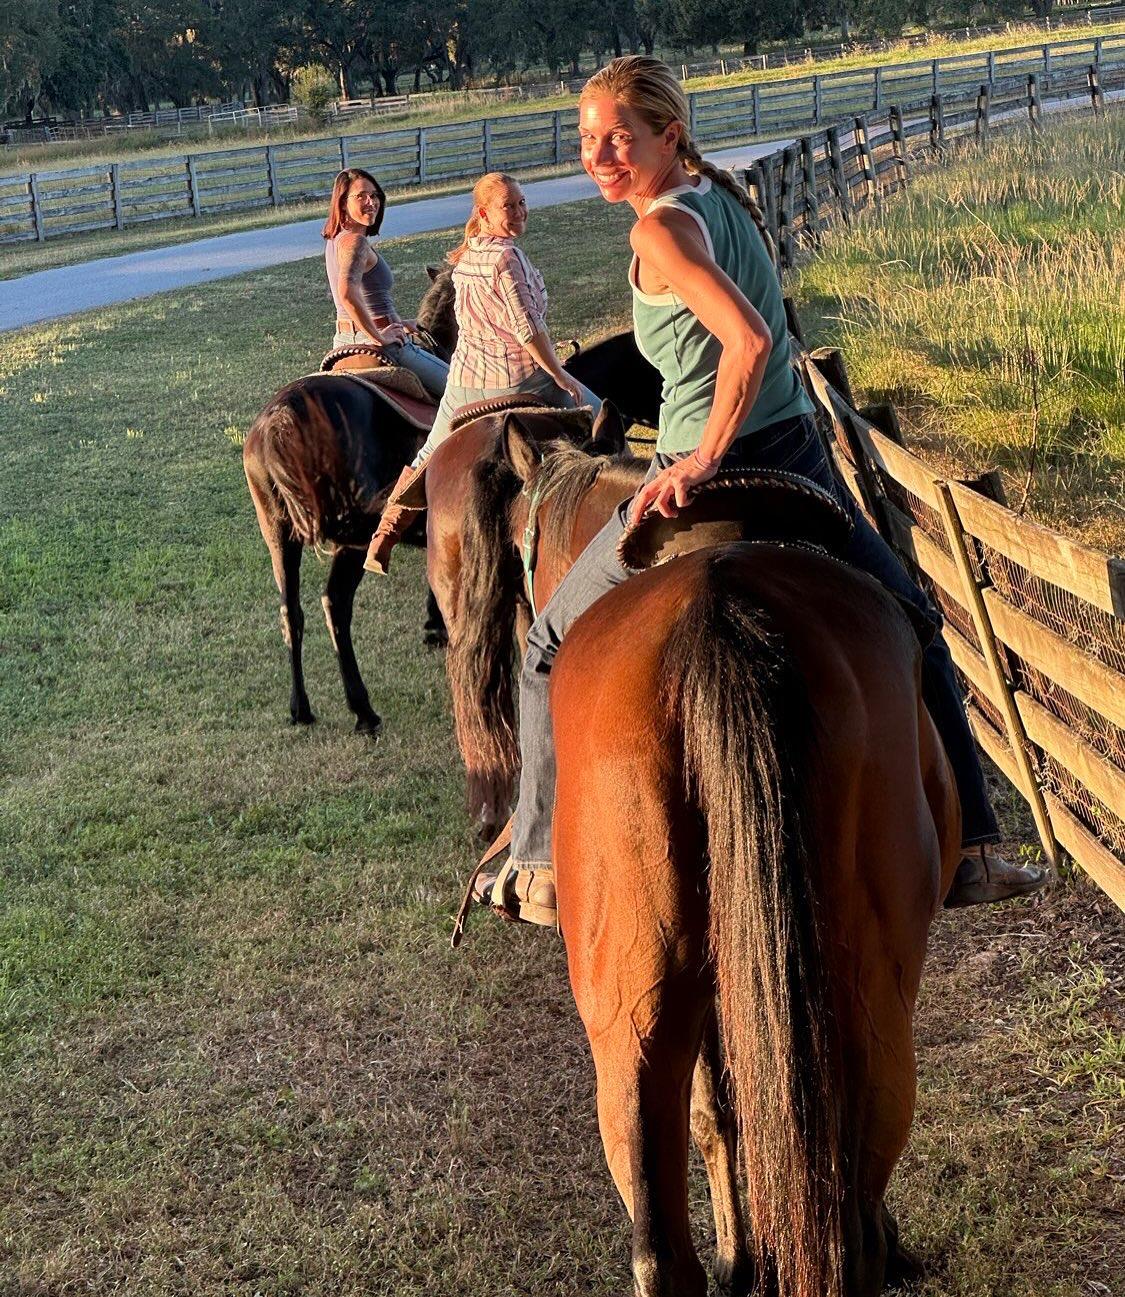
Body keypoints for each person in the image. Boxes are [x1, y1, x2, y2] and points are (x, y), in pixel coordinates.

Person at [473, 55, 1047, 924]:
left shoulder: (656, 232)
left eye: (617, 137)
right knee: (914, 621)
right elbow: (764, 335)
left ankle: (537, 859)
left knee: (548, 643)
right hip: (797, 456)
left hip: (711, 465)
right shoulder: (721, 195)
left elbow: (740, 341)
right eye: (588, 139)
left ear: (668, 134)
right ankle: (969, 846)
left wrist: (700, 458)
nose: (598, 155)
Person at [363, 171, 602, 575]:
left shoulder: (466, 255)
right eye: (509, 206)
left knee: (428, 452)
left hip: (466, 382)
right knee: (599, 418)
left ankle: (385, 533)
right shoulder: (508, 257)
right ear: (484, 213)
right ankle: (620, 513)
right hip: (520, 377)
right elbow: (528, 330)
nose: (520, 211)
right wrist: (560, 376)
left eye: (522, 202)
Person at [323, 167, 449, 399]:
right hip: (378, 340)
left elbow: (363, 297)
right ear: (342, 203)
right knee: (459, 392)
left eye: (374, 195)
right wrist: (379, 337)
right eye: (360, 196)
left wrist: (400, 322)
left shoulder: (336, 240)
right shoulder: (356, 243)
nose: (370, 202)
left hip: (342, 340)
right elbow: (347, 295)